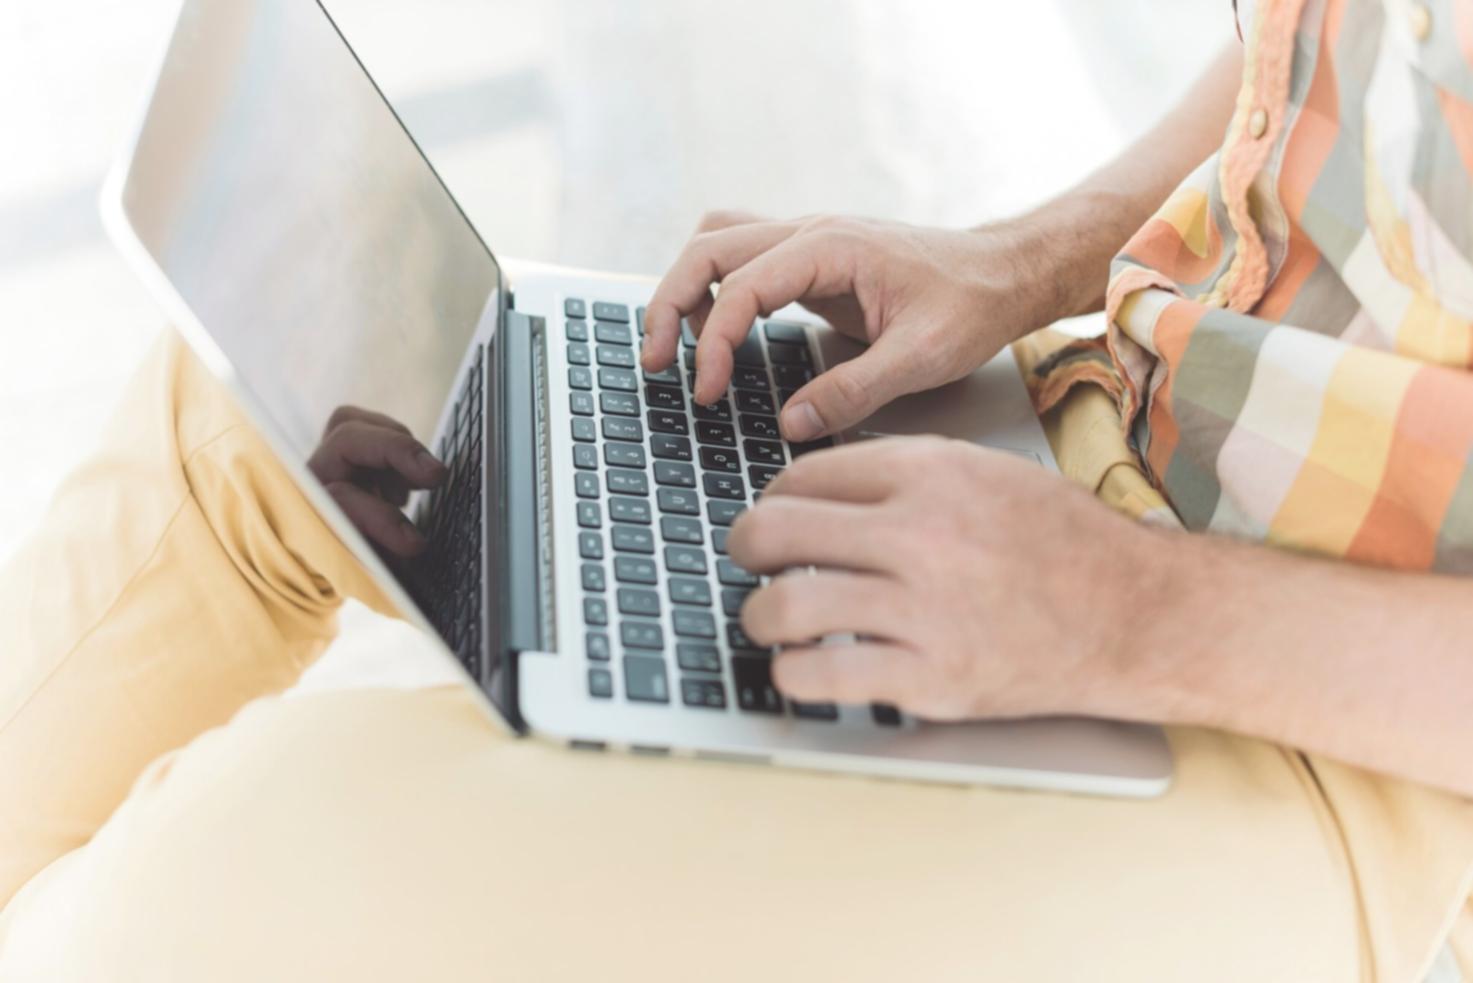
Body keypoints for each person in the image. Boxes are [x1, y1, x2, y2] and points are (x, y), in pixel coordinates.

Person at [2, 3, 1471, 980]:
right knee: (260, 414)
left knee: (228, 868)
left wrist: (1124, 613)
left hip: (1340, 736)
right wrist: (1025, 256)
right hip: (1108, 404)